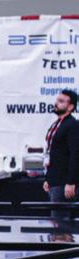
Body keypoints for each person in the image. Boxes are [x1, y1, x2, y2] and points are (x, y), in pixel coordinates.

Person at [43, 89, 79, 225]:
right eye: (57, 100)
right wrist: (48, 178)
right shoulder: (57, 124)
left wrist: (71, 182)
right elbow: (53, 153)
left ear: (70, 107)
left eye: (61, 101)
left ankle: (62, 240)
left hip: (64, 182)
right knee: (56, 221)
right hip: (55, 180)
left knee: (60, 223)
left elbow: (76, 154)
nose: (56, 103)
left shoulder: (73, 125)